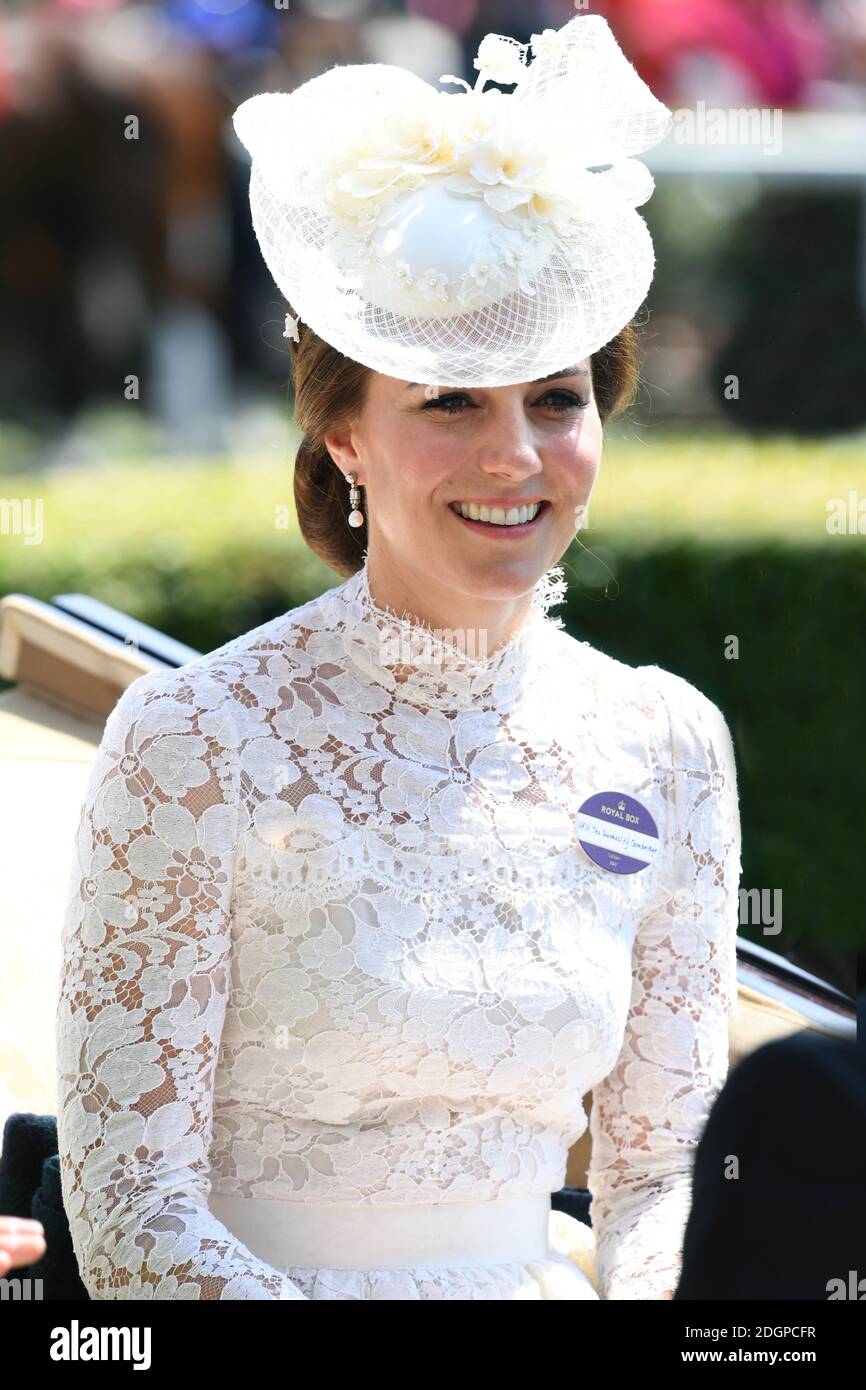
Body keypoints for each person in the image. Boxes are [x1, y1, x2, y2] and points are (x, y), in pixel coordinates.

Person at [55, 12, 742, 1300]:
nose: (517, 458)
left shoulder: (666, 737)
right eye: (450, 403)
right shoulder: (194, 740)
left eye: (557, 399)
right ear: (346, 442)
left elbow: (664, 1174)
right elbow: (131, 1218)